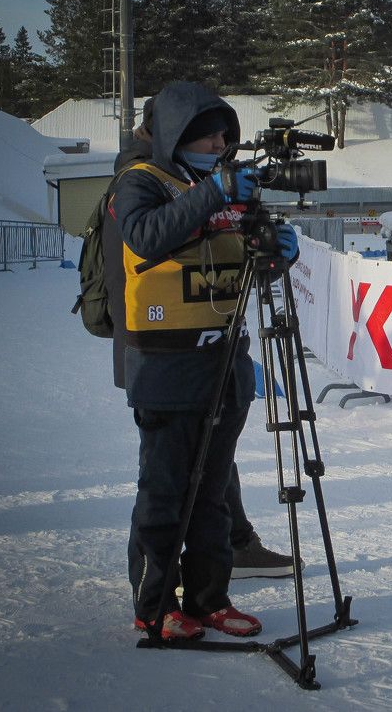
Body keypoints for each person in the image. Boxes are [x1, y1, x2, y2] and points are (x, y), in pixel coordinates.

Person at [111, 81, 300, 640]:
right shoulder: (139, 183)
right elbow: (146, 237)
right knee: (167, 492)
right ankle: (156, 605)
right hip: (165, 365)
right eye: (210, 132)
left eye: (225, 133)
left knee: (213, 494)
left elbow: (245, 264)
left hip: (224, 362)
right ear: (181, 134)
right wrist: (215, 191)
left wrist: (277, 253)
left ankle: (210, 598)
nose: (221, 142)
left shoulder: (224, 186)